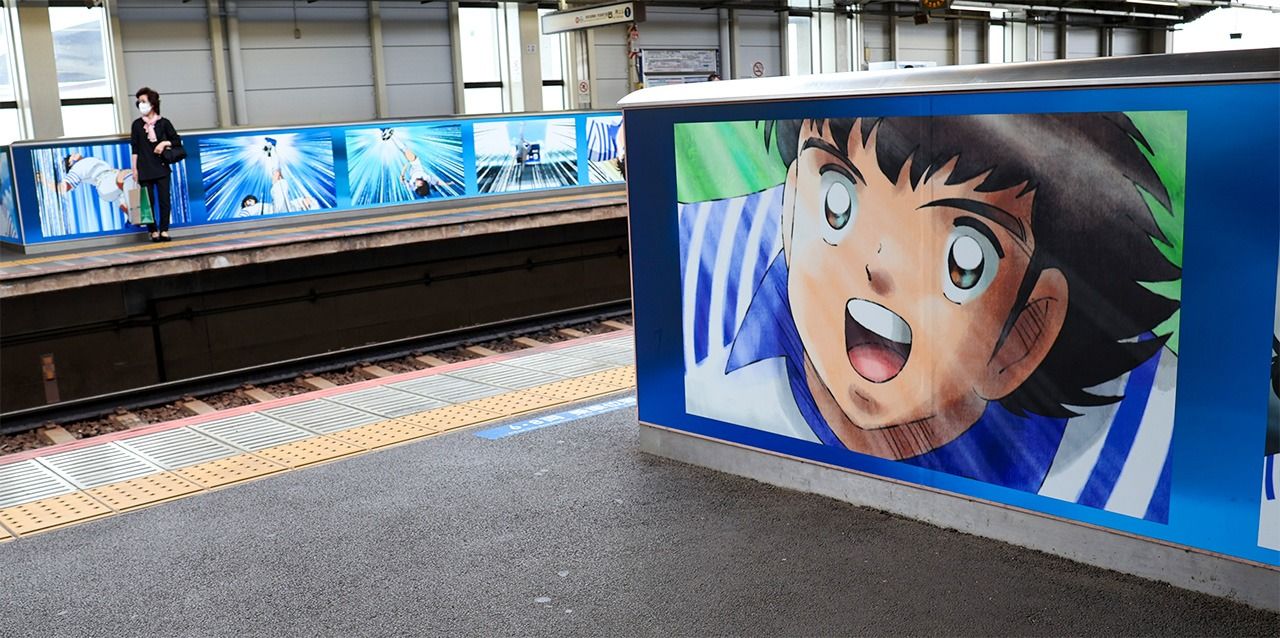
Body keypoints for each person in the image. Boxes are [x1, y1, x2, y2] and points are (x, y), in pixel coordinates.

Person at [682, 114, 1182, 521]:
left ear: (1027, 332)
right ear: (790, 209)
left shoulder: (1143, 450)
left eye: (965, 260)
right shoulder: (707, 298)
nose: (879, 266)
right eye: (837, 203)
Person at [130, 86, 181, 241]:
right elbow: (135, 148)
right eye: (139, 102)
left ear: (152, 103)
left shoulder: (164, 123)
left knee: (165, 199)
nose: (141, 104)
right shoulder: (137, 125)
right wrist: (134, 169)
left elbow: (176, 141)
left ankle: (164, 230)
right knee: (147, 201)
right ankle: (152, 231)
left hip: (162, 166)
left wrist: (163, 143)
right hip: (144, 168)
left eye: (143, 101)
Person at [237, 137, 317, 217]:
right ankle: (272, 149)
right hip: (279, 213)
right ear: (244, 203)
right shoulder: (246, 210)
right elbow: (241, 219)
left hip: (282, 211)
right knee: (277, 175)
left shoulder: (262, 206)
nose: (250, 202)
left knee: (279, 176)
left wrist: (302, 202)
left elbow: (277, 206)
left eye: (251, 200)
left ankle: (273, 150)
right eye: (248, 201)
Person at [52, 153, 136, 216]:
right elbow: (63, 188)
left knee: (133, 214)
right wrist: (43, 180)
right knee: (129, 174)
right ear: (70, 163)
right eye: (71, 156)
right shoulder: (77, 167)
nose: (73, 153)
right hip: (106, 183)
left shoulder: (85, 162)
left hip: (109, 184)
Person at [380, 128, 444, 198]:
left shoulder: (412, 186)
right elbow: (439, 183)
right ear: (422, 183)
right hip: (415, 162)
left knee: (403, 150)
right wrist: (449, 183)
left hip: (410, 167)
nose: (416, 185)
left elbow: (402, 179)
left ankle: (389, 134)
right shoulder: (428, 179)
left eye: (416, 187)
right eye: (418, 185)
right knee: (405, 149)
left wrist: (404, 169)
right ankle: (391, 135)